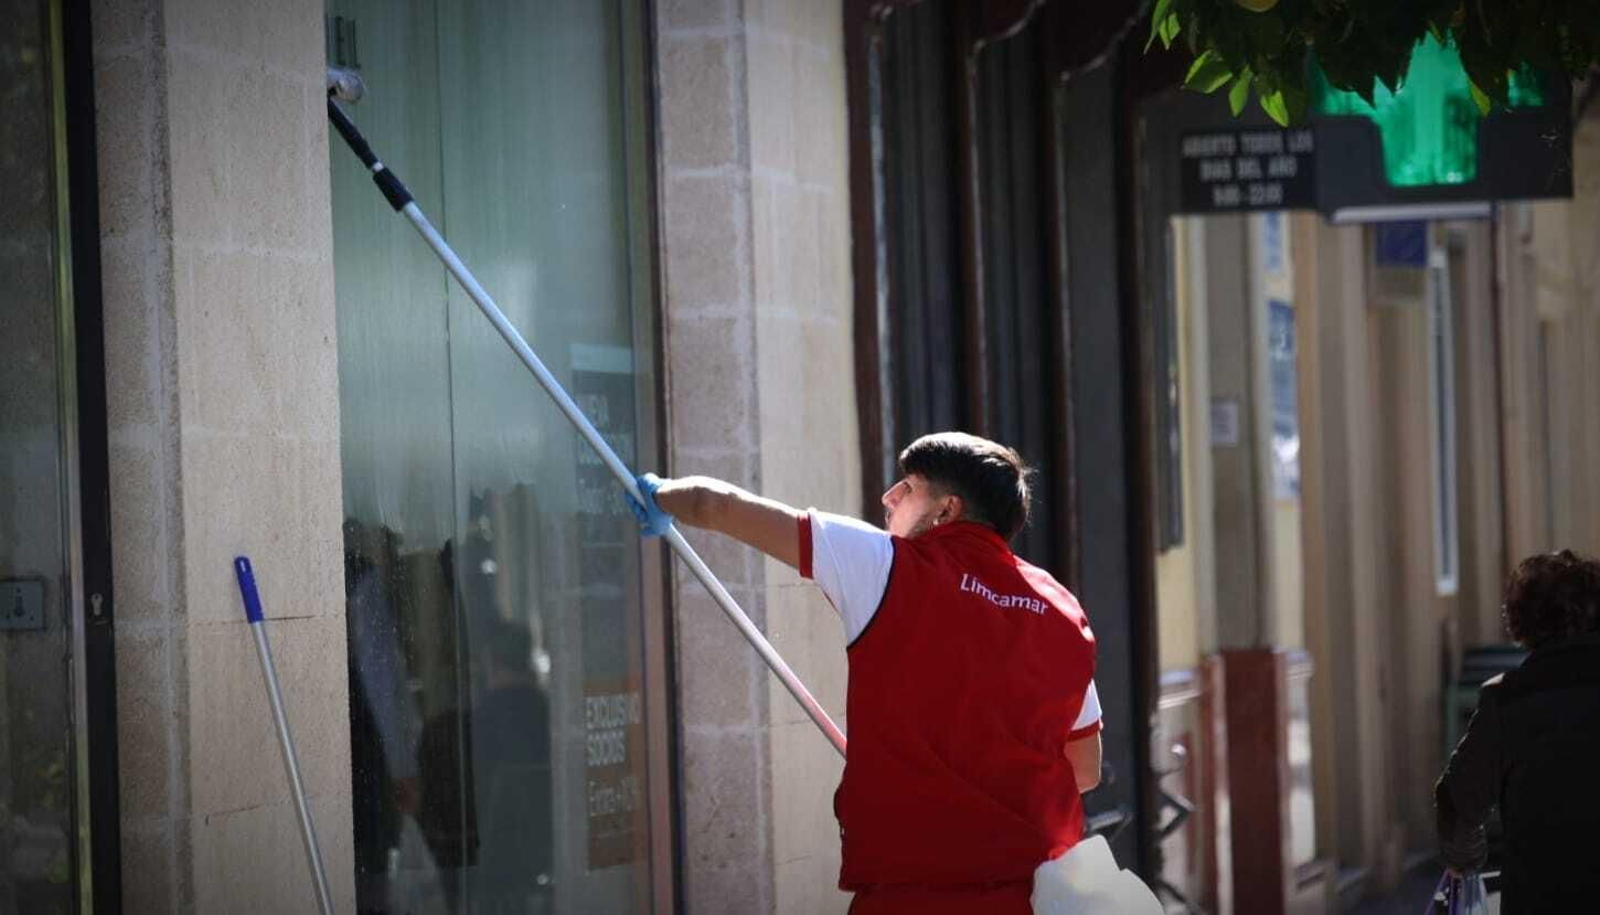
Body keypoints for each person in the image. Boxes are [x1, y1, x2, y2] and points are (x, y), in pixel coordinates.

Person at [629, 431, 1102, 913]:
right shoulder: (1061, 608)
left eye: (908, 488)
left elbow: (718, 506)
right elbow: (1084, 769)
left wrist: (659, 493)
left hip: (909, 895)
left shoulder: (884, 564)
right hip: (1035, 897)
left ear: (946, 511)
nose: (888, 497)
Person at [1435, 549, 1600, 911]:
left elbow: (1459, 804)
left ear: (1521, 623)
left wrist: (1465, 864)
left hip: (1540, 897)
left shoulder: (1507, 699)